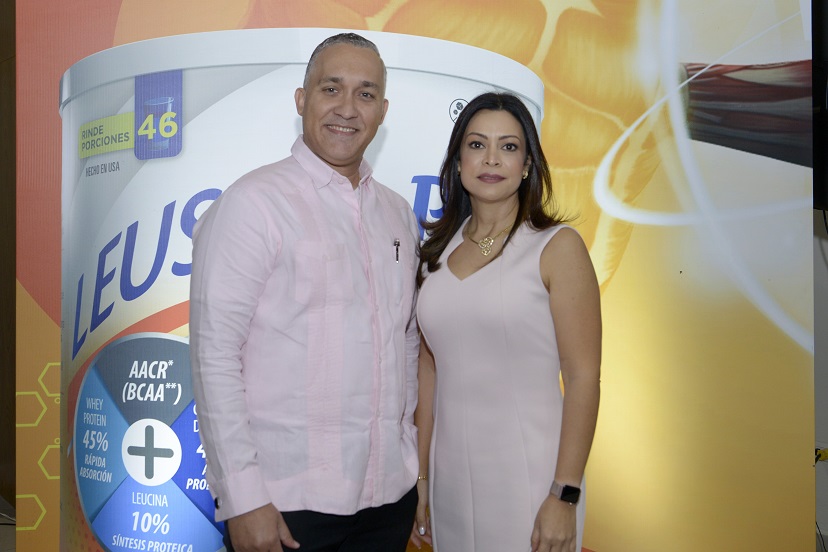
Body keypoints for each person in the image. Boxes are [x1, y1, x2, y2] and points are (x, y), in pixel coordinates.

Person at [189, 33, 421, 552]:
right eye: (330, 88)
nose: (347, 108)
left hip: (389, 500)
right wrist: (243, 499)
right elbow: (214, 356)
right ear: (302, 99)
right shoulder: (253, 204)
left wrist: (409, 458)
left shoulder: (398, 215)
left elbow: (405, 341)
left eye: (365, 94)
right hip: (284, 506)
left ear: (383, 111)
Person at [409, 92, 601, 552]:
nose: (491, 159)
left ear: (528, 164)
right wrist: (422, 478)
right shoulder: (434, 255)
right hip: (449, 482)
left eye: (509, 146)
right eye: (477, 145)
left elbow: (583, 377)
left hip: (532, 482)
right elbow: (429, 372)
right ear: (458, 161)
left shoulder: (556, 247)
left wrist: (565, 493)